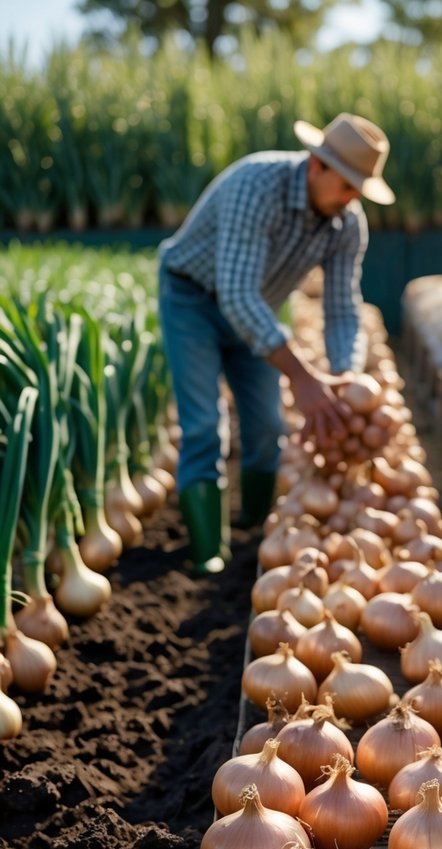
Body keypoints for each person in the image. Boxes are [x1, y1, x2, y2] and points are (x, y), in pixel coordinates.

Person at [157, 113, 395, 574]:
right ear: (316, 165)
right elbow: (236, 293)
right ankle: (208, 552)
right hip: (193, 299)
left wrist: (345, 377)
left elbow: (343, 308)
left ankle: (252, 531)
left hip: (258, 308)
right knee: (205, 424)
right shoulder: (256, 185)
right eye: (346, 185)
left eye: (358, 191)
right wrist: (304, 378)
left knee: (267, 428)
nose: (351, 199)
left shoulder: (348, 223)